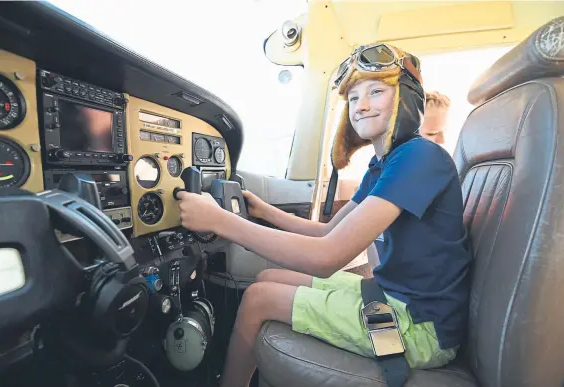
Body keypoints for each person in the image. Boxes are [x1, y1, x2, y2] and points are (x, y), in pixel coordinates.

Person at [176, 43, 471, 387]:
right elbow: (327, 232)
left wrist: (219, 221)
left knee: (259, 299)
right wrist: (262, 210)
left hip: (422, 331)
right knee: (268, 280)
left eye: (376, 91)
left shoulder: (421, 156)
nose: (361, 105)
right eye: (354, 96)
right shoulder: (384, 165)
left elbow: (327, 257)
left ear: (405, 99)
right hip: (391, 299)